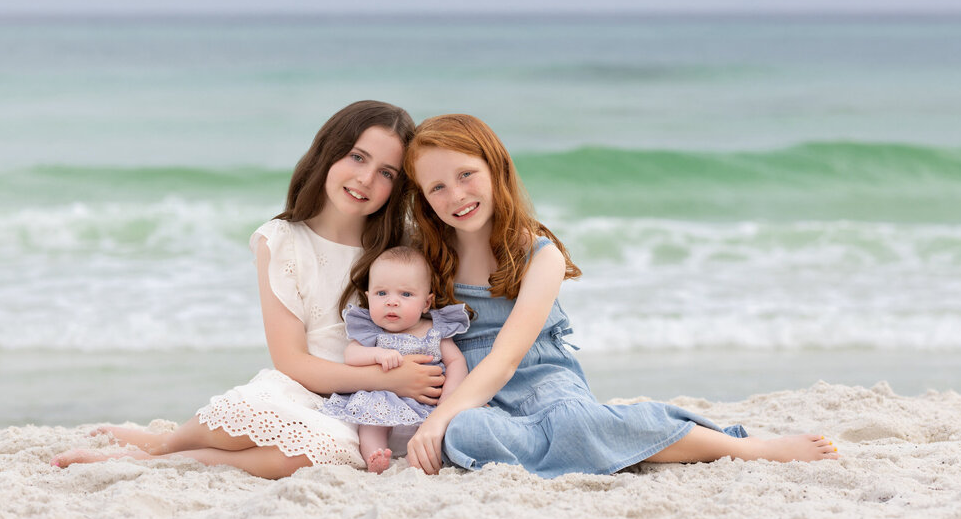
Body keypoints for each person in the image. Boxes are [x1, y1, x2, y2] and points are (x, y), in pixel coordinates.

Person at [401, 114, 840, 478]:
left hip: (542, 379)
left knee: (573, 424)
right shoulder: (425, 260)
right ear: (423, 198)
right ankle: (584, 451)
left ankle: (748, 449)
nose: (455, 195)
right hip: (468, 391)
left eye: (466, 175)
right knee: (465, 434)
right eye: (437, 187)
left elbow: (507, 359)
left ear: (495, 168)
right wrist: (440, 414)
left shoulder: (539, 254)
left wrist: (437, 421)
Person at [51, 101, 446, 479]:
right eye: (357, 157)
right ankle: (160, 446)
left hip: (357, 413)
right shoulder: (282, 240)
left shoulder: (399, 252)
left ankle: (156, 455)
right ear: (329, 152)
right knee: (247, 413)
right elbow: (291, 361)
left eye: (387, 173)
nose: (366, 179)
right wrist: (388, 380)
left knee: (316, 453)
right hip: (301, 388)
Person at [319, 246, 469, 473]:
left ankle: (417, 458)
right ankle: (375, 457)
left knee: (442, 432)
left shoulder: (434, 331)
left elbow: (456, 361)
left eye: (405, 294)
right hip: (383, 404)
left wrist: (449, 396)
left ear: (426, 303)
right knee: (370, 426)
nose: (392, 302)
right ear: (368, 298)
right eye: (381, 294)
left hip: (426, 409)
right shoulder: (374, 333)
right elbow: (351, 355)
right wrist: (378, 354)